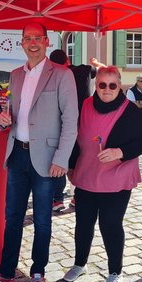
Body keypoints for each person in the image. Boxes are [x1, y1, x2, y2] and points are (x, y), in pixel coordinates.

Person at [0, 22, 78, 282]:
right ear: (21, 43)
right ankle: (6, 274)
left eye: (37, 38)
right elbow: (15, 113)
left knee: (43, 221)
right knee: (12, 218)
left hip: (46, 158)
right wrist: (4, 120)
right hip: (18, 154)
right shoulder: (15, 75)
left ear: (47, 42)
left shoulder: (62, 75)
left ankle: (37, 273)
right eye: (27, 38)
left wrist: (62, 159)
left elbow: (71, 121)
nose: (32, 43)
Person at [63, 66, 142, 282]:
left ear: (119, 85)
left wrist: (119, 152)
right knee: (83, 223)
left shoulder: (130, 110)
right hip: (87, 175)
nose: (107, 89)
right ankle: (80, 264)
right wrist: (71, 165)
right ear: (96, 86)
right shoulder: (86, 105)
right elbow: (74, 136)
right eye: (102, 85)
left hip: (117, 177)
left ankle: (115, 272)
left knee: (110, 224)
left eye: (112, 85)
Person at [48, 49, 104, 211]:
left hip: (62, 125)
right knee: (81, 161)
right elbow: (101, 70)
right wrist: (96, 63)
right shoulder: (83, 70)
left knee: (61, 160)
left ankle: (57, 199)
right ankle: (77, 196)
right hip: (84, 124)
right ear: (67, 59)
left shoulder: (54, 77)